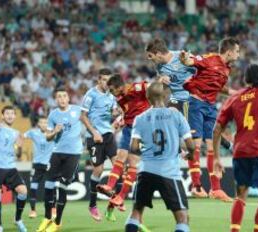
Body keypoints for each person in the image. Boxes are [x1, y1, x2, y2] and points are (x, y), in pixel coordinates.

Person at [213, 64, 258, 232]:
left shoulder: (235, 97)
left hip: (240, 152)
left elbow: (216, 129)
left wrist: (216, 158)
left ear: (246, 79)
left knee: (241, 195)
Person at [125, 82, 195, 232]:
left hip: (145, 171)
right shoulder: (176, 114)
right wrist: (190, 155)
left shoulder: (140, 118)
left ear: (147, 97)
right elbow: (191, 145)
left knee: (136, 212)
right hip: (169, 172)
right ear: (165, 96)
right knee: (182, 217)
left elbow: (133, 147)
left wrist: (147, 149)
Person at [179, 37, 239, 201]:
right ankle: (197, 186)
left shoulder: (227, 69)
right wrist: (184, 58)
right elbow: (191, 61)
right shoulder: (210, 58)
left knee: (213, 145)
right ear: (229, 51)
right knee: (196, 144)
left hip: (211, 106)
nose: (238, 55)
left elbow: (220, 88)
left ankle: (216, 189)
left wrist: (238, 93)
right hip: (196, 102)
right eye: (237, 51)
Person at [96, 74, 150, 210]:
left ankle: (121, 196)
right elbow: (126, 112)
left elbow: (152, 88)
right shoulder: (119, 98)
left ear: (120, 87)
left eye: (112, 90)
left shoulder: (137, 88)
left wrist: (162, 82)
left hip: (142, 130)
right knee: (120, 156)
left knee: (132, 163)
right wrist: (118, 119)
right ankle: (109, 185)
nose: (111, 93)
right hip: (128, 129)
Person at [37, 88, 83, 232]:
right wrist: (55, 132)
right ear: (56, 100)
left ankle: (57, 222)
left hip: (73, 153)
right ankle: (46, 217)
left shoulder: (78, 110)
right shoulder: (53, 115)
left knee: (62, 186)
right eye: (59, 97)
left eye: (64, 96)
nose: (62, 99)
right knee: (48, 185)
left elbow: (91, 118)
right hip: (56, 153)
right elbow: (47, 137)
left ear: (69, 98)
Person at [80, 68, 119, 221]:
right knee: (99, 170)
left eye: (109, 81)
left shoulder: (111, 96)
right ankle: (92, 205)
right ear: (99, 80)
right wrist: (94, 132)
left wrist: (116, 115)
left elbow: (111, 113)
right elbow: (82, 116)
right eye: (104, 80)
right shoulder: (91, 94)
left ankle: (112, 203)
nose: (107, 83)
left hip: (108, 134)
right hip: (94, 137)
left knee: (118, 166)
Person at [0, 106, 27, 232]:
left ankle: (18, 219)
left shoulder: (15, 133)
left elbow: (18, 155)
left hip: (10, 168)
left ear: (15, 116)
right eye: (7, 113)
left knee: (23, 191)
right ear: (2, 116)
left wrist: (19, 147)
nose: (9, 116)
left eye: (12, 114)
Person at [23, 116, 55, 219]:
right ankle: (33, 210)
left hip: (49, 164)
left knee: (51, 186)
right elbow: (22, 136)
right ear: (39, 124)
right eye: (42, 122)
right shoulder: (33, 132)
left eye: (46, 122)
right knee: (33, 187)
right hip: (37, 164)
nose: (44, 124)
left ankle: (53, 208)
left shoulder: (53, 133)